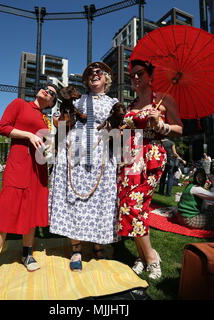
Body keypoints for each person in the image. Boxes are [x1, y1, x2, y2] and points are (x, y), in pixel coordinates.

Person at [0, 84, 58, 296]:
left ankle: (27, 253)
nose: (47, 92)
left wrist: (50, 145)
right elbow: (3, 127)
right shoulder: (19, 104)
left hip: (38, 169)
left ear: (51, 103)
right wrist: (28, 135)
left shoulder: (46, 120)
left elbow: (47, 144)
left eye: (52, 93)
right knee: (4, 214)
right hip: (18, 166)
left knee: (32, 212)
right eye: (45, 88)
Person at [49, 62, 120, 272]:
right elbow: (60, 124)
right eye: (90, 73)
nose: (94, 74)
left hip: (101, 152)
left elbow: (118, 132)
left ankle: (98, 244)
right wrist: (66, 113)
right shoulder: (77, 99)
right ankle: (76, 248)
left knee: (99, 199)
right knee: (75, 198)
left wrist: (114, 127)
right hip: (75, 151)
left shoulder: (114, 102)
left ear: (107, 79)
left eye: (99, 72)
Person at [117, 59, 183, 279]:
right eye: (131, 76)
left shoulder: (164, 99)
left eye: (140, 74)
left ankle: (152, 258)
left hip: (151, 156)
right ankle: (143, 256)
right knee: (130, 206)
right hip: (129, 157)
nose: (135, 78)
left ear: (150, 76)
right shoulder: (131, 104)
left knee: (134, 205)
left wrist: (161, 124)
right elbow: (126, 132)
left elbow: (179, 129)